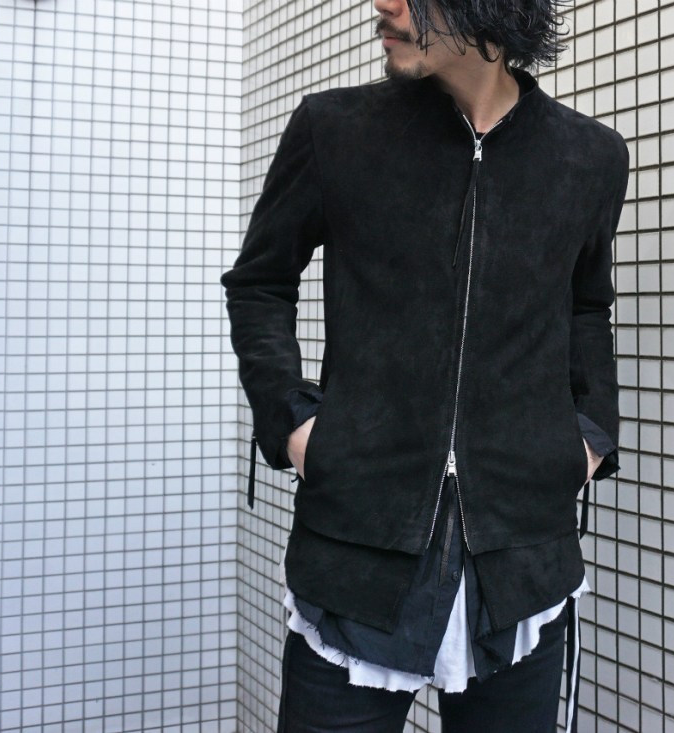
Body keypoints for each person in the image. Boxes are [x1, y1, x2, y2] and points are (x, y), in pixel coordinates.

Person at [221, 0, 629, 729]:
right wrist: (292, 423)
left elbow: (586, 306)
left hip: (522, 561)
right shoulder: (335, 129)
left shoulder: (589, 156)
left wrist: (590, 434)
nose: (385, 4)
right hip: (357, 557)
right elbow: (260, 282)